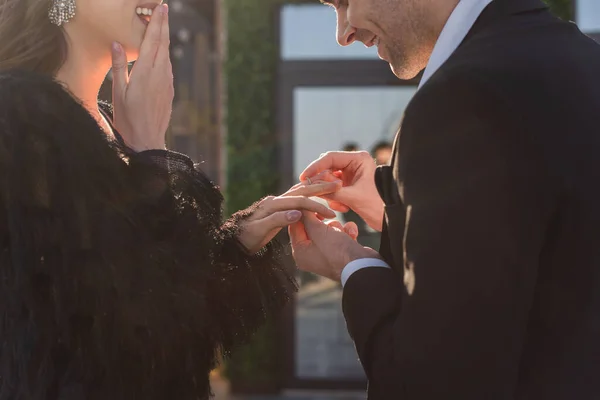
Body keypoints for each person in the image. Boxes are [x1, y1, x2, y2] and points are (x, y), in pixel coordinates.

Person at [0, 0, 345, 398]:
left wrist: (238, 241)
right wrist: (148, 148)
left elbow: (164, 320)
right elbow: (96, 337)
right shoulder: (18, 119)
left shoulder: (105, 124)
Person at [290, 0, 600, 398]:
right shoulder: (582, 59)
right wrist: (402, 209)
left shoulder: (461, 95)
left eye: (345, 2)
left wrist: (353, 266)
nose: (343, 33)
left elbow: (434, 383)